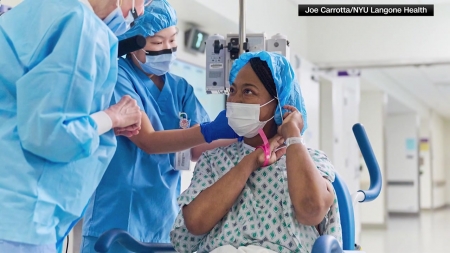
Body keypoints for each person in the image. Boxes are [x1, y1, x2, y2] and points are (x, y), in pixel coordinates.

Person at [80, 1, 238, 252]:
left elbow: (197, 150)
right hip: (118, 217)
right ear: (133, 42)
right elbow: (149, 142)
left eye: (172, 40)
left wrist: (240, 133)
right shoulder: (118, 74)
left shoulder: (181, 88)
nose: (168, 49)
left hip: (163, 220)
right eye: (156, 43)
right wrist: (208, 130)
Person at [0, 0, 147, 252]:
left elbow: (25, 107)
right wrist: (112, 117)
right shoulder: (79, 24)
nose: (141, 11)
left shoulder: (36, 10)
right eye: (142, 2)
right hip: (24, 218)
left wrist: (103, 125)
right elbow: (50, 133)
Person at [170, 51, 343, 253]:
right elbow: (195, 223)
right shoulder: (214, 160)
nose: (235, 100)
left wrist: (293, 136)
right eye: (232, 91)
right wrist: (249, 162)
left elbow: (311, 210)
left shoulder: (312, 160)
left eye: (248, 92)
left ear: (278, 104)